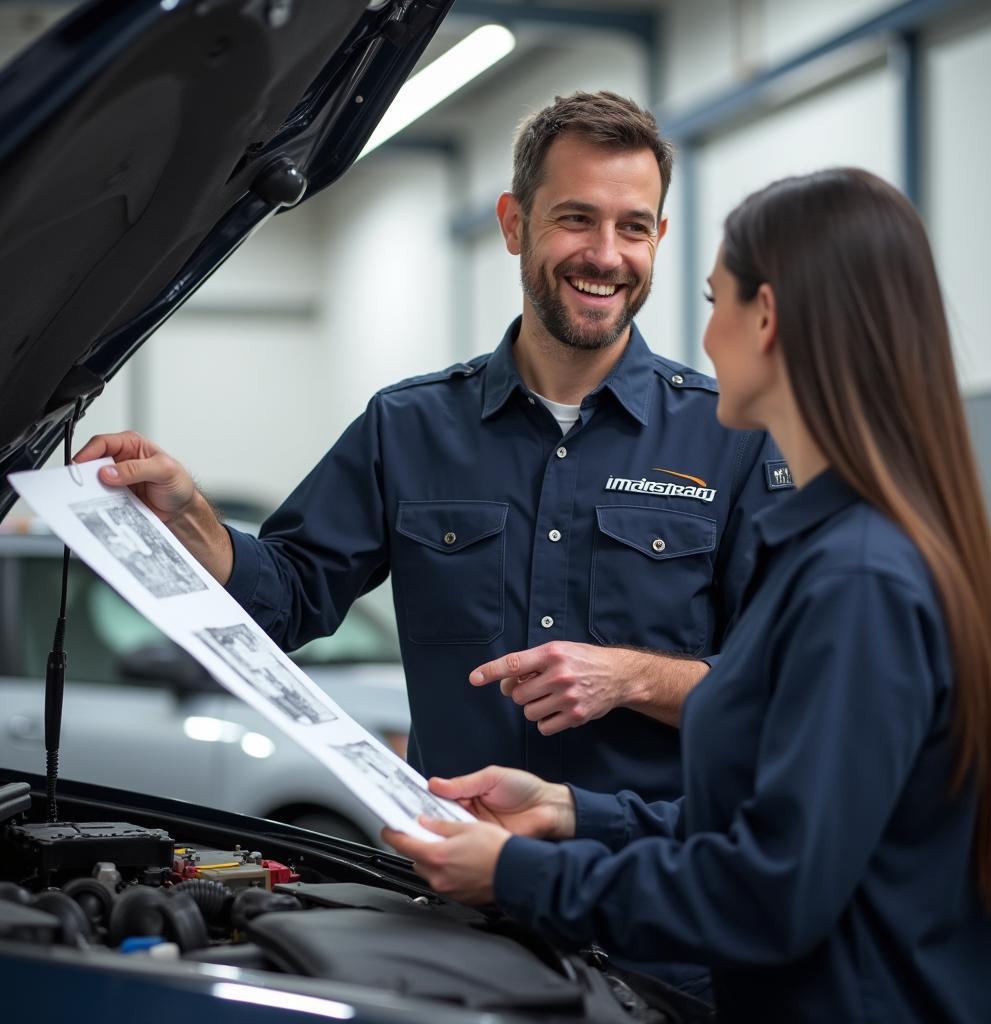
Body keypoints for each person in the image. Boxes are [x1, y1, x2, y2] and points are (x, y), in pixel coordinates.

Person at [381, 168, 991, 1022]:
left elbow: (770, 888)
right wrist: (570, 811)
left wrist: (514, 873)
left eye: (717, 299)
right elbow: (767, 823)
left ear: (769, 320)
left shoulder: (859, 580)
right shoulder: (832, 552)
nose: (706, 337)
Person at [77, 91, 786, 806]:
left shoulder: (732, 438)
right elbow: (287, 599)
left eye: (632, 227)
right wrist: (190, 516)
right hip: (458, 880)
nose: (605, 256)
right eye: (576, 218)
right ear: (514, 224)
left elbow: (782, 690)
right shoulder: (408, 427)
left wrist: (633, 677)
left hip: (647, 887)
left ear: (657, 237)